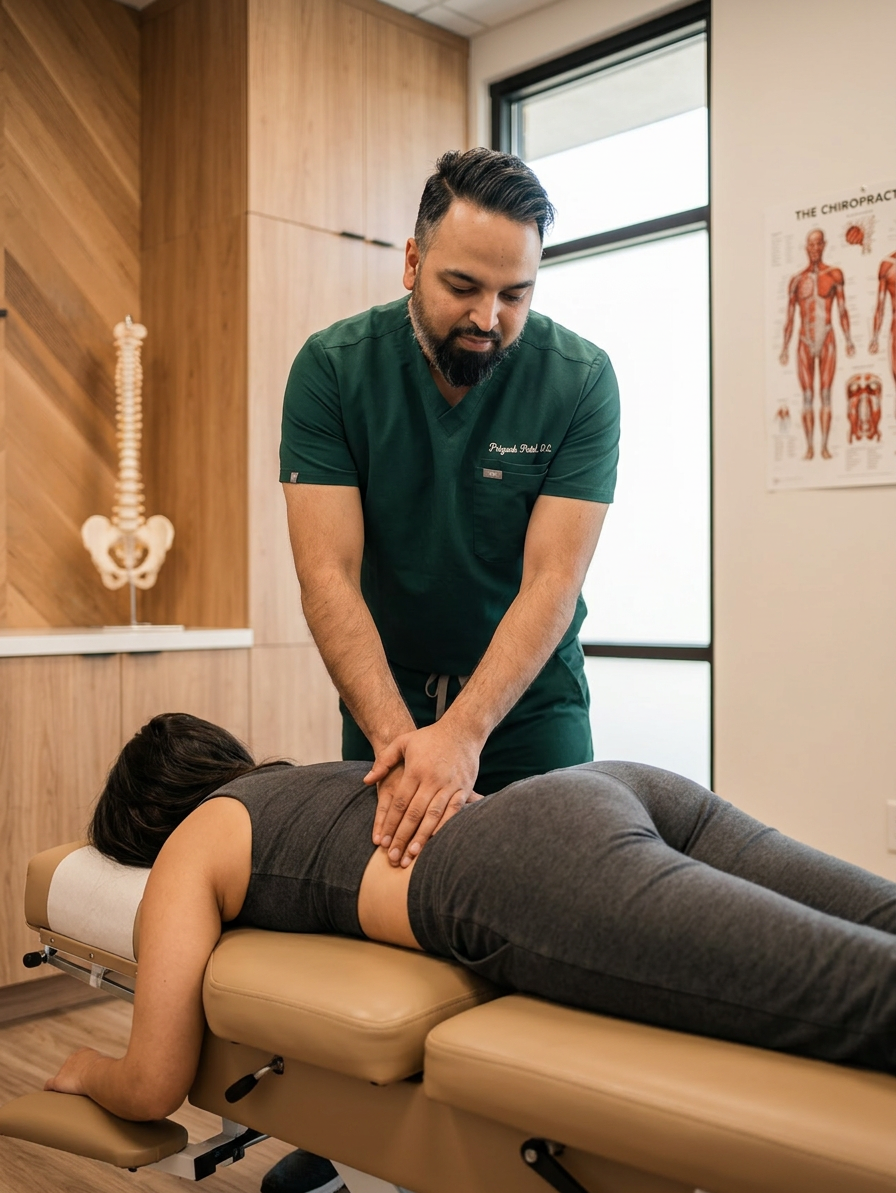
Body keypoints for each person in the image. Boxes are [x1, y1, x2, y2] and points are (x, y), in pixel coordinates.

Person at [47, 713, 896, 1127]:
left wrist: (88, 1069)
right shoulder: (311, 778)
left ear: (142, 829)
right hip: (613, 785)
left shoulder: (195, 841)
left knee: (859, 994)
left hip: (532, 861)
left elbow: (152, 1084)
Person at [280, 148, 620, 877]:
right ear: (412, 262)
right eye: (463, 286)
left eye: (515, 294)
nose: (487, 318)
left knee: (556, 895)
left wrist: (464, 733)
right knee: (394, 900)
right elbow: (326, 574)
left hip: (529, 704)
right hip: (388, 704)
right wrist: (401, 744)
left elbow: (554, 580)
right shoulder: (333, 370)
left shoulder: (579, 380)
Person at [779, 228, 855, 460]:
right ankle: (810, 447)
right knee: (807, 396)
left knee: (826, 393)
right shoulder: (796, 280)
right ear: (806, 248)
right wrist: (784, 346)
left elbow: (842, 309)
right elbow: (790, 317)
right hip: (804, 339)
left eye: (818, 244)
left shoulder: (834, 275)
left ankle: (824, 446)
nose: (814, 249)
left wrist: (849, 339)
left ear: (824, 245)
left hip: (827, 337)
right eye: (810, 245)